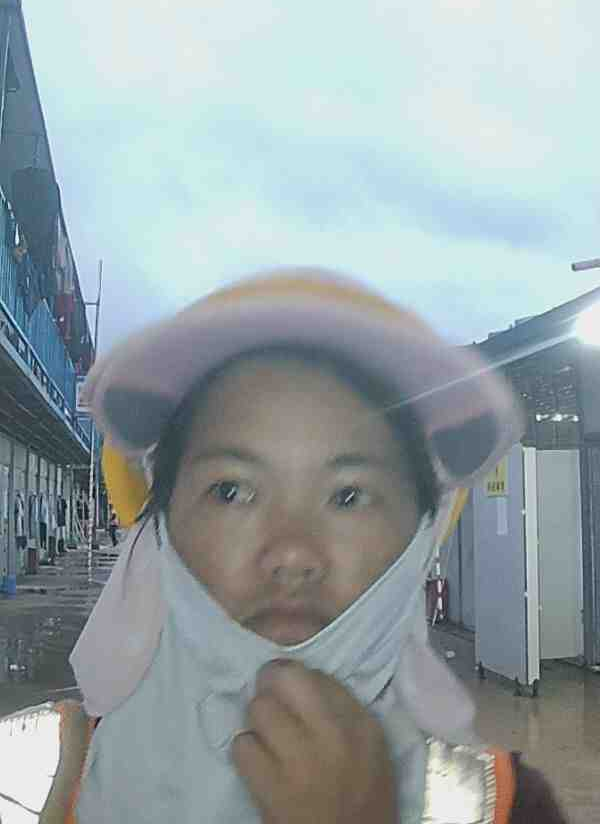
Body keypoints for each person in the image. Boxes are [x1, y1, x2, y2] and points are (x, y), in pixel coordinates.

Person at [0, 270, 567, 823]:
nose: (292, 554)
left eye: (348, 496)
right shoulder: (24, 782)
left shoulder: (507, 807)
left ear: (420, 536)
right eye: (231, 491)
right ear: (163, 529)